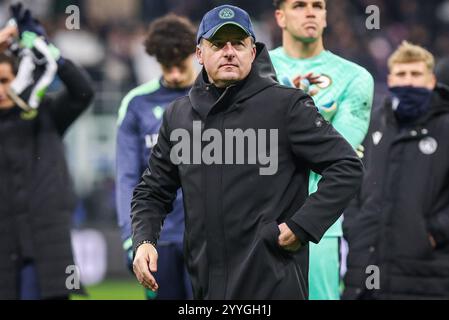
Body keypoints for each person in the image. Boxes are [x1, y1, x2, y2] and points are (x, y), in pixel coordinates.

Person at [131, 5, 363, 300]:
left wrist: (302, 225)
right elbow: (152, 190)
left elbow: (347, 166)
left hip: (275, 286)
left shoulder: (287, 106)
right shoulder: (179, 116)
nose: (229, 51)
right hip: (205, 287)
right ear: (199, 54)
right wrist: (144, 240)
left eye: (238, 44)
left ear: (253, 53)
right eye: (218, 44)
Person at [269, 0, 374, 300]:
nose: (311, 11)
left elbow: (337, 157)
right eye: (299, 5)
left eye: (318, 5)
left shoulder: (355, 77)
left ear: (327, 16)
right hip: (255, 218)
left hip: (318, 223)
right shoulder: (254, 70)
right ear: (280, 16)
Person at [0, 6, 94, 300]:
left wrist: (44, 47)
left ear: (20, 77)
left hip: (46, 252)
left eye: (4, 80)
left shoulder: (46, 114)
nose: (0, 90)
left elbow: (82, 91)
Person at [343, 42, 449, 300]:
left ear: (432, 79)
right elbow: (353, 181)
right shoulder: (373, 124)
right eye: (401, 74)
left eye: (416, 75)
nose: (409, 82)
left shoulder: (446, 127)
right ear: (389, 79)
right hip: (364, 273)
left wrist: (435, 233)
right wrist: (355, 228)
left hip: (425, 277)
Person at [116, 14, 197, 300]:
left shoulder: (214, 97)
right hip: (156, 241)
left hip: (208, 237)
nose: (174, 74)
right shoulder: (136, 104)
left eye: (181, 65)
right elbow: (127, 178)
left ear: (195, 54)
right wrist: (132, 238)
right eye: (167, 66)